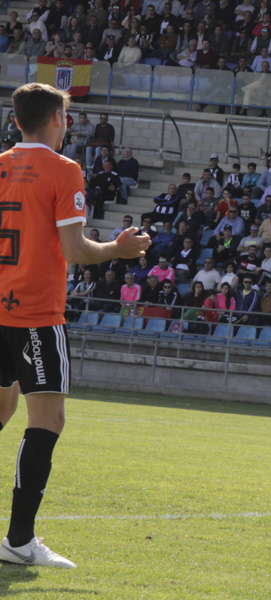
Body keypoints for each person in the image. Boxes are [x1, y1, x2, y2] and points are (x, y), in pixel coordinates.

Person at [0, 83, 151, 568]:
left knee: (1, 410)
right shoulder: (64, 169)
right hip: (36, 315)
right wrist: (119, 249)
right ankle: (19, 542)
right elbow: (75, 251)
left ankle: (19, 540)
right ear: (57, 120)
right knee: (47, 419)